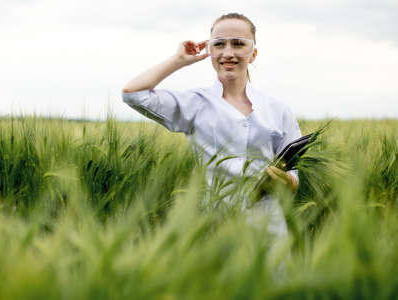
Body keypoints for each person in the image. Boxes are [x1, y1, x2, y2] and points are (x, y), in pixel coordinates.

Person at [122, 13, 302, 238]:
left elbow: (294, 173)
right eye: (219, 44)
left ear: (253, 53)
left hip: (269, 228)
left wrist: (287, 183)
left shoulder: (278, 110)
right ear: (209, 51)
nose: (228, 53)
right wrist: (178, 60)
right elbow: (133, 94)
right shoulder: (195, 103)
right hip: (216, 227)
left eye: (238, 43)